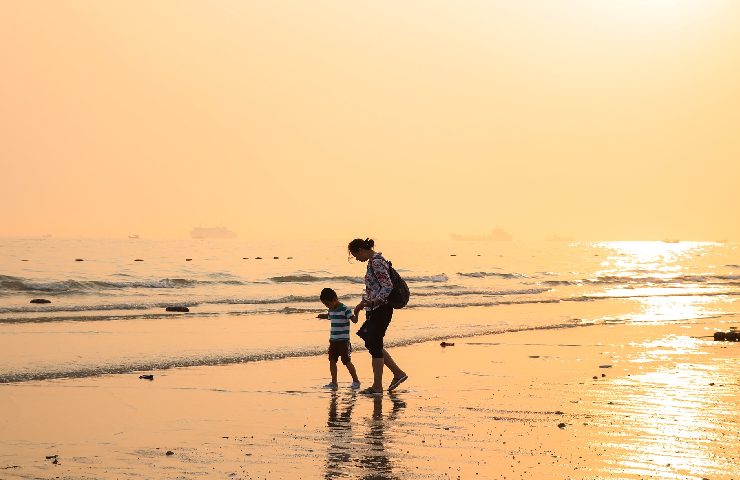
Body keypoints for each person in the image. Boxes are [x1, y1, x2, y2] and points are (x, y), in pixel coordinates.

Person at [348, 238, 408, 395]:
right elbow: (376, 286)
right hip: (376, 308)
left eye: (355, 255)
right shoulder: (374, 262)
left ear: (361, 249)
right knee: (371, 342)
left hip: (382, 309)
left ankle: (377, 387)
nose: (356, 259)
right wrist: (364, 304)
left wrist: (374, 302)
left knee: (374, 344)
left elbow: (387, 286)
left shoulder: (376, 262)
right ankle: (398, 373)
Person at [319, 287, 361, 390]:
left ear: (334, 299)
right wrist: (323, 316)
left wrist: (357, 312)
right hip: (333, 340)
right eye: (325, 305)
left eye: (327, 304)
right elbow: (330, 316)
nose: (327, 306)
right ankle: (334, 382)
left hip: (343, 341)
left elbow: (354, 320)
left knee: (346, 361)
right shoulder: (331, 310)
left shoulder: (345, 309)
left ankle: (356, 381)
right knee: (332, 360)